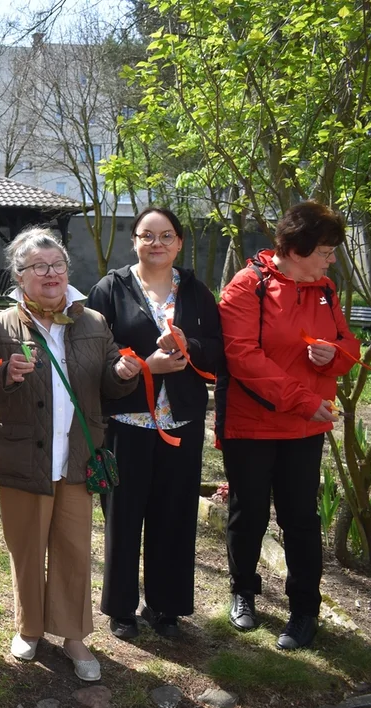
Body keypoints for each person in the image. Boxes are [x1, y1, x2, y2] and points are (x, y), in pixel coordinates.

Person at [0, 228, 140, 682]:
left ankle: (75, 634)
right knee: (27, 549)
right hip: (24, 458)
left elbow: (110, 378)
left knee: (73, 549)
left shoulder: (94, 323)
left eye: (57, 266)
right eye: (38, 267)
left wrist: (123, 372)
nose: (51, 274)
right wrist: (4, 373)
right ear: (19, 277)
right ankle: (29, 627)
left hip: (79, 459)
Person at [216, 201, 359, 651]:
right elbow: (243, 357)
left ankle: (304, 611)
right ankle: (243, 591)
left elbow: (347, 344)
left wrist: (334, 355)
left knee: (301, 519)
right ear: (297, 249)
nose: (331, 258)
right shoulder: (247, 286)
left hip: (304, 428)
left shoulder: (324, 290)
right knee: (248, 514)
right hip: (253, 424)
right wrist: (303, 400)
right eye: (325, 249)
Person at [86, 207, 224, 640]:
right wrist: (147, 366)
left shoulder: (197, 292)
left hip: (179, 420)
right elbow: (95, 354)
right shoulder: (110, 288)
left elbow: (218, 351)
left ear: (179, 242)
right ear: (134, 241)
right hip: (125, 420)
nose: (157, 244)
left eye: (166, 236)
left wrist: (189, 345)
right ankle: (121, 608)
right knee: (123, 516)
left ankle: (166, 606)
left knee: (175, 513)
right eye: (147, 235)